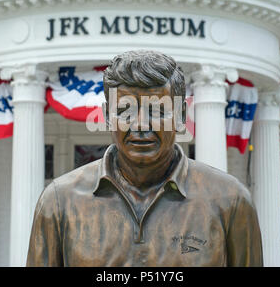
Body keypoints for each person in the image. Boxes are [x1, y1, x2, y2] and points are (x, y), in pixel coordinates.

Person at [26, 50, 263, 266]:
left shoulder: (231, 200)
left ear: (181, 116)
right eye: (125, 111)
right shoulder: (58, 201)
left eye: (158, 110)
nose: (140, 124)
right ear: (108, 116)